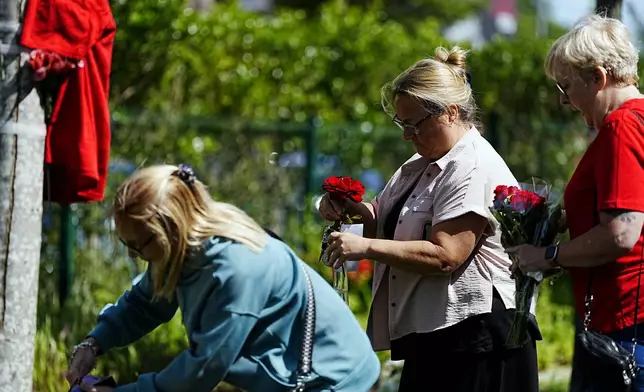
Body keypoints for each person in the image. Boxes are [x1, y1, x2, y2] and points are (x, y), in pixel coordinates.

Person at [318, 46, 540, 392]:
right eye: (401, 124)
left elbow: (446, 255)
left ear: (450, 112)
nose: (407, 135)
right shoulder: (421, 163)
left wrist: (364, 246)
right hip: (441, 338)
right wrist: (346, 208)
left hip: (479, 339)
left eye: (414, 124)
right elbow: (382, 218)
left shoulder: (471, 164)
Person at [66, 164, 380, 392]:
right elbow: (145, 303)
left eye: (138, 245)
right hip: (287, 376)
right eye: (126, 245)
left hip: (332, 379)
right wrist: (94, 343)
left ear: (173, 229)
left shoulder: (235, 269)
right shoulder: (185, 249)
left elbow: (203, 368)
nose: (133, 255)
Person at [506, 15, 644, 392]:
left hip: (623, 326)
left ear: (598, 78)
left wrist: (545, 254)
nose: (564, 101)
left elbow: (621, 233)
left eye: (567, 87)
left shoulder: (622, 127)